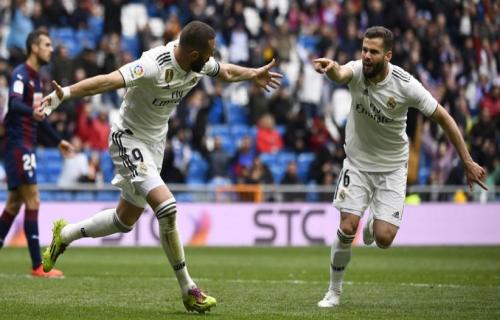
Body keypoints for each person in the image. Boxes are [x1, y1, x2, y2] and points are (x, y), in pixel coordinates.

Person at [41, 21, 282, 313]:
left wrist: (252, 73)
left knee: (124, 220)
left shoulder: (200, 64)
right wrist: (63, 94)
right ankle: (188, 289)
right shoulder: (153, 65)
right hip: (127, 139)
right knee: (167, 207)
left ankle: (64, 236)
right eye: (208, 54)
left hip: (155, 144)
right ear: (193, 54)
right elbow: (108, 80)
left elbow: (227, 71)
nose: (211, 59)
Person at [313, 26, 487, 308]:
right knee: (347, 227)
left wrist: (466, 161)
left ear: (388, 55)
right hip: (357, 163)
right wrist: (332, 68)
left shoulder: (406, 85)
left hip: (392, 168)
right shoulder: (356, 70)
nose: (367, 56)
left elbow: (444, 118)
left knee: (383, 238)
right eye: (364, 50)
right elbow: (340, 73)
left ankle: (373, 222)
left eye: (374, 52)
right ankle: (333, 292)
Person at [0, 29, 73, 277]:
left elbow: (40, 118)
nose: (51, 49)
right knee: (33, 200)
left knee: (13, 204)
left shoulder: (38, 80)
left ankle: (36, 266)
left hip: (26, 143)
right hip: (17, 144)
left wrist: (58, 141)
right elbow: (14, 103)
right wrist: (32, 112)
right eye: (47, 44)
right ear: (34, 47)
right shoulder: (20, 74)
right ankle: (37, 266)